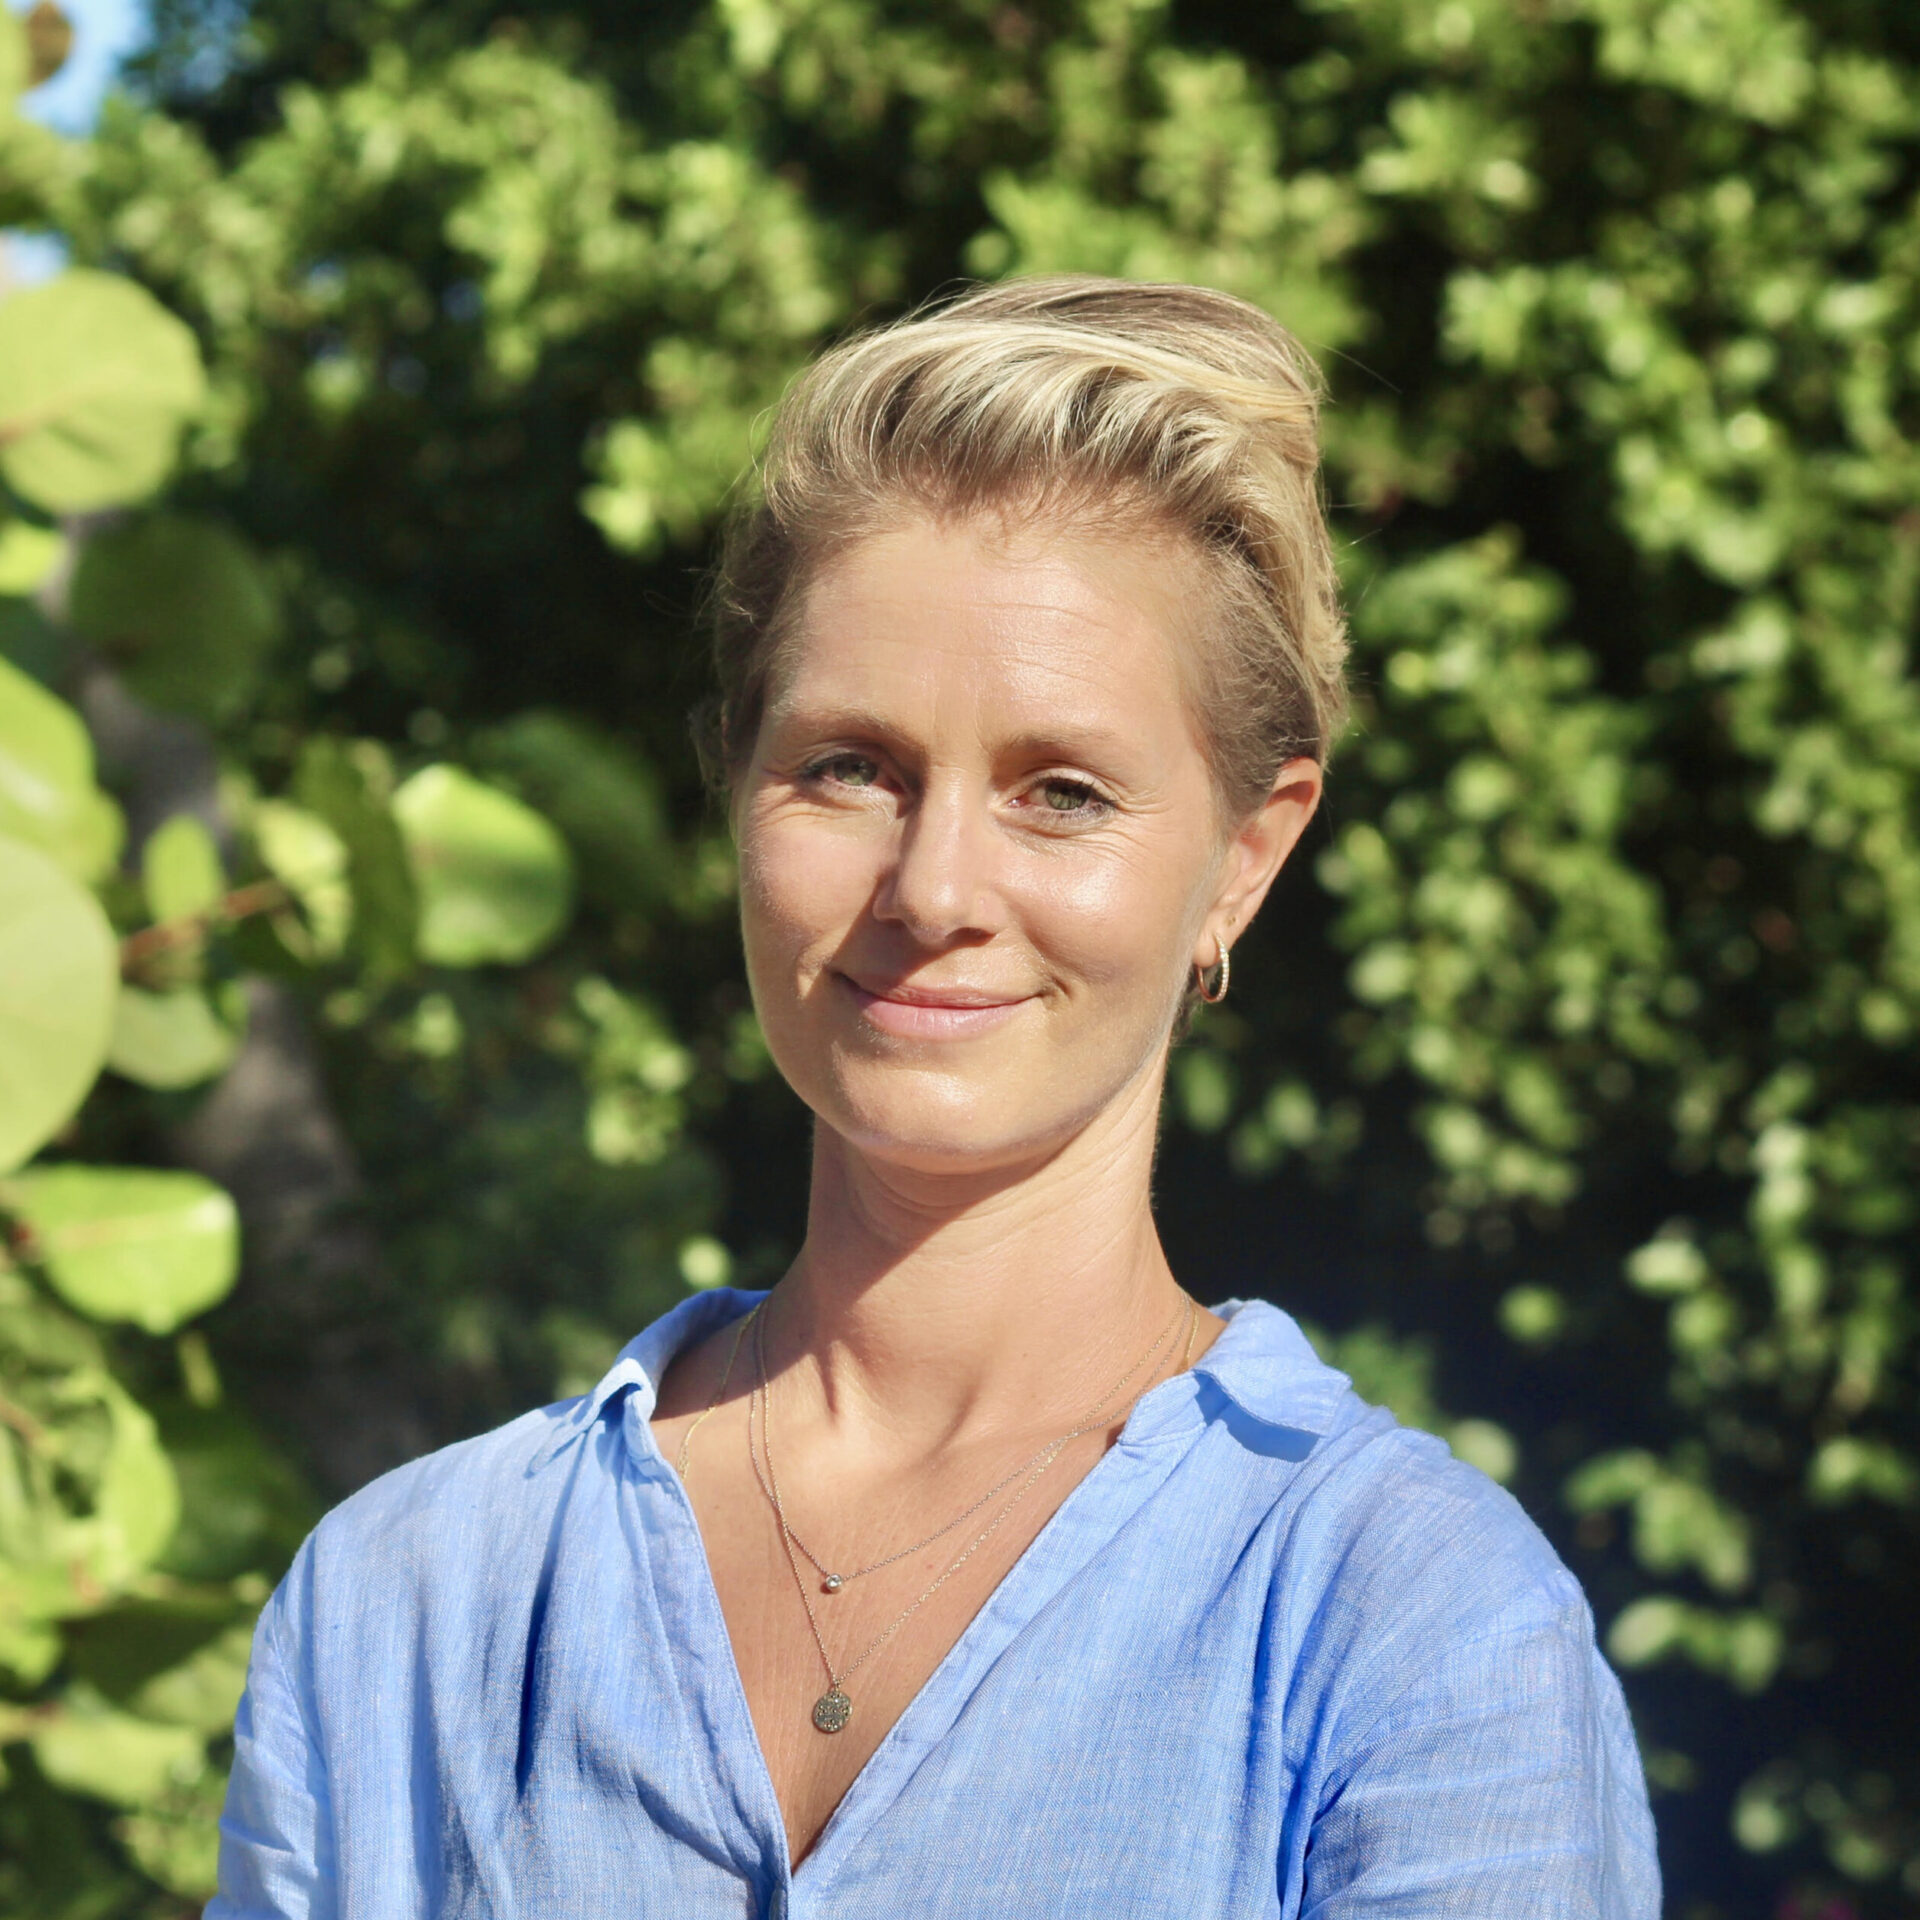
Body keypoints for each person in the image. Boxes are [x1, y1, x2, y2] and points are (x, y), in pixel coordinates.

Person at [211, 277, 1660, 1918]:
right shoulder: (407, 1603)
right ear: (733, 794)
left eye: (1062, 790)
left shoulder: (1413, 1627)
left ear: (1244, 861)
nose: (937, 884)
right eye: (848, 767)